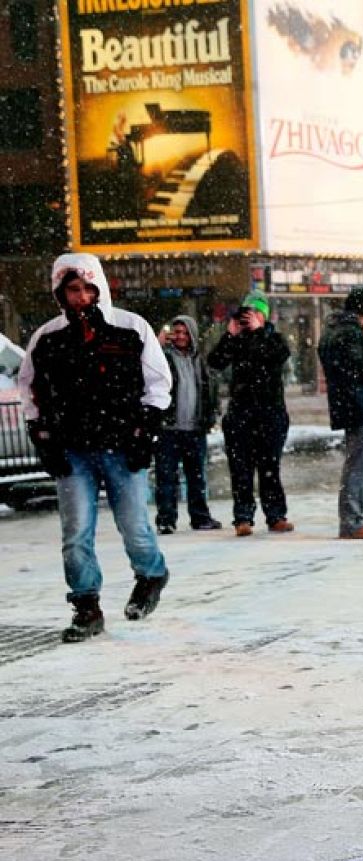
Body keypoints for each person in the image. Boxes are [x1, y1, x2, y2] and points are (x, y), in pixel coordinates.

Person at [18, 253, 171, 641]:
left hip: (123, 443)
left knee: (134, 524)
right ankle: (86, 606)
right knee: (76, 532)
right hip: (72, 449)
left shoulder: (131, 328)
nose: (81, 296)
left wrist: (146, 429)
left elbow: (158, 384)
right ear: (60, 291)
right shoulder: (47, 337)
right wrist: (43, 437)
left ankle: (151, 574)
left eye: (88, 288)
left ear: (100, 287)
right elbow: (29, 389)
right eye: (72, 289)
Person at [207, 292, 295, 536]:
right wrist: (229, 335)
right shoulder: (236, 339)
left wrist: (258, 332)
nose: (250, 318)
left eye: (255, 313)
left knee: (270, 467)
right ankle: (243, 517)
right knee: (240, 469)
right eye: (247, 313)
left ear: (263, 316)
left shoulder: (274, 339)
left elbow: (278, 356)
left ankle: (275, 515)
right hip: (241, 414)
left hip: (270, 413)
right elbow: (215, 361)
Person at [318, 287, 363, 539]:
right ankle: (355, 519)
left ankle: (358, 516)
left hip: (349, 404)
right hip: (361, 405)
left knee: (357, 461)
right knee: (361, 463)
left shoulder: (333, 331)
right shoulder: (350, 334)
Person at [155, 314, 221, 534]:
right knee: (166, 476)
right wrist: (156, 346)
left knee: (197, 476)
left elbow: (210, 389)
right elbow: (145, 371)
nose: (181, 337)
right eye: (177, 332)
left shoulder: (200, 361)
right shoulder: (162, 358)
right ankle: (166, 518)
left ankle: (200, 517)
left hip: (195, 428)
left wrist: (210, 415)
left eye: (185, 332)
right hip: (169, 428)